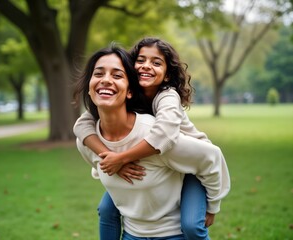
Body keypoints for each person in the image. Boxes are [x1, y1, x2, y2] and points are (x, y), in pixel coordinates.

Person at [74, 38, 229, 239]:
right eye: (141, 60)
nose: (147, 66)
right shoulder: (125, 98)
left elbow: (164, 134)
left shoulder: (167, 97)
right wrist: (111, 156)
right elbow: (81, 125)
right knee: (106, 209)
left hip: (191, 164)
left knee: (192, 225)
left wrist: (122, 158)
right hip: (152, 155)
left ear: (167, 75)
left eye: (156, 63)